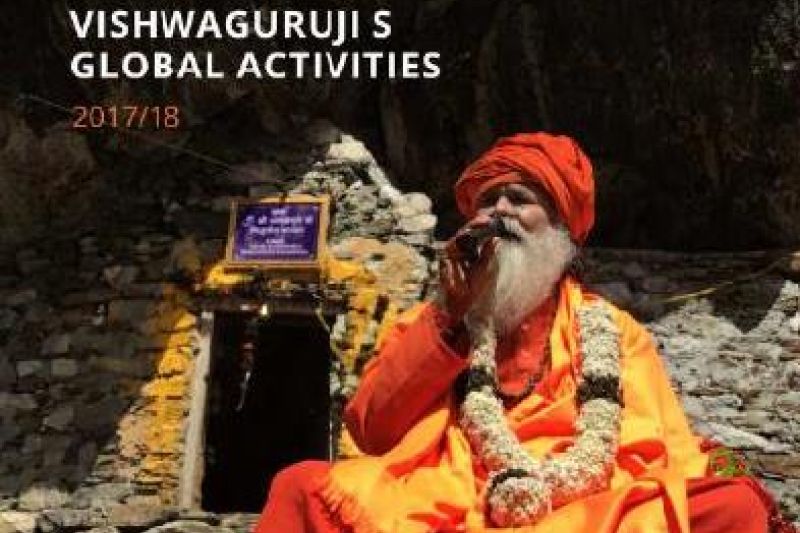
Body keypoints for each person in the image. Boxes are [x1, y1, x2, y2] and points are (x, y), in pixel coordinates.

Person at [254, 133, 789, 533]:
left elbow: (659, 448)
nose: (500, 211)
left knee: (730, 506)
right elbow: (372, 430)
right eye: (488, 200)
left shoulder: (614, 331)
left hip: (585, 511)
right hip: (451, 501)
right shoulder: (435, 320)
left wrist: (560, 494)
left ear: (560, 229)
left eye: (518, 198)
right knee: (300, 488)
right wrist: (451, 318)